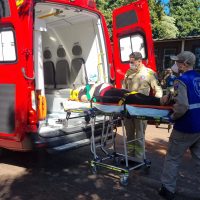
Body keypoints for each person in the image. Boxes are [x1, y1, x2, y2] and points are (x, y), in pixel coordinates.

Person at [159, 51, 200, 200]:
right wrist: (170, 96)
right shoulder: (198, 77)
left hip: (185, 126)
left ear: (184, 65)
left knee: (173, 158)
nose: (175, 65)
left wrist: (172, 117)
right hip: (199, 125)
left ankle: (167, 190)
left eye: (177, 62)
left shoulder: (180, 81)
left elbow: (182, 106)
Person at [122, 52, 163, 162]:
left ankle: (139, 159)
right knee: (129, 135)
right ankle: (130, 157)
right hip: (128, 109)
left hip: (141, 109)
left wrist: (156, 106)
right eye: (129, 61)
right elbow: (123, 90)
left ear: (139, 61)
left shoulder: (149, 73)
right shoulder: (128, 72)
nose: (130, 64)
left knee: (139, 135)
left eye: (132, 62)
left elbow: (158, 91)